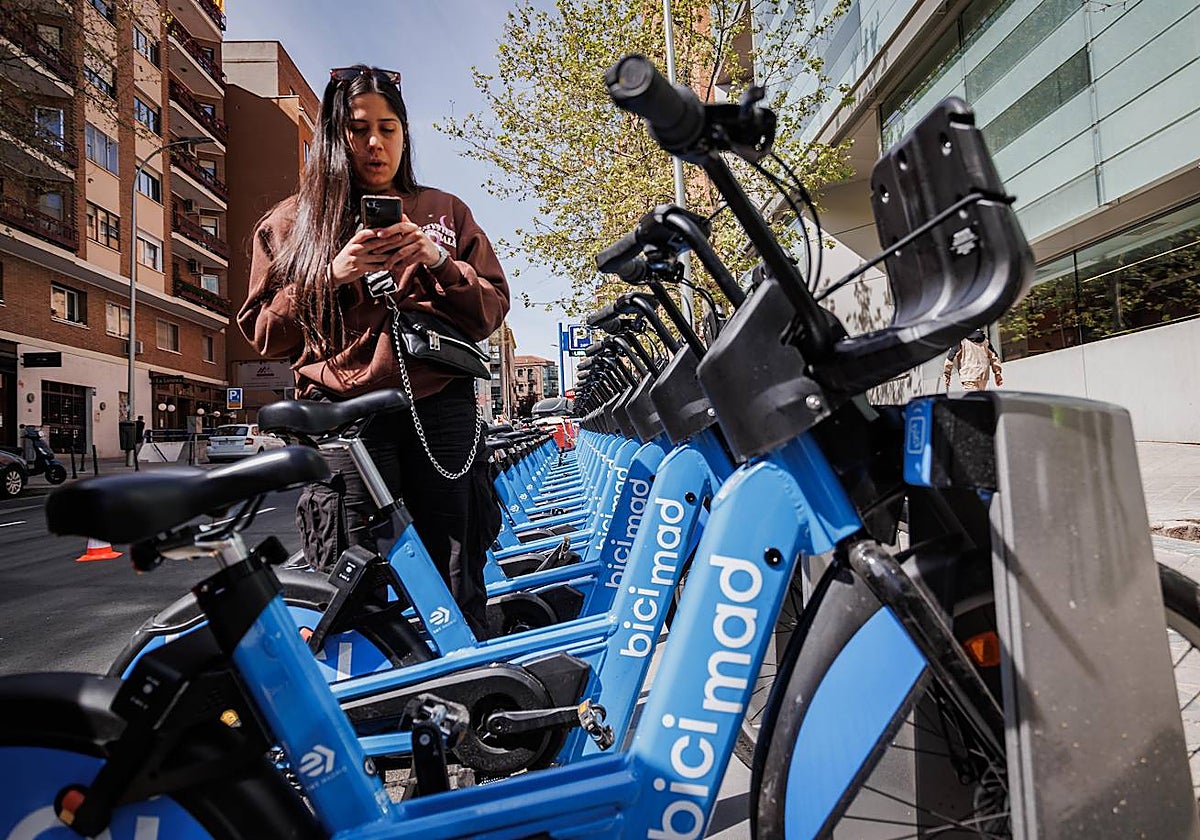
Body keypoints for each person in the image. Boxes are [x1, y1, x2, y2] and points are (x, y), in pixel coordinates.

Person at [238, 64, 509, 637]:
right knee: (353, 574)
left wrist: (437, 262)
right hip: (346, 418)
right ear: (334, 138)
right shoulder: (292, 224)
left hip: (440, 406)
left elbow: (491, 310)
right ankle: (367, 707)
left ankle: (472, 692)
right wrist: (331, 275)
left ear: (405, 134)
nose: (375, 143)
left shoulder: (443, 210)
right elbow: (262, 331)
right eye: (358, 130)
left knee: (457, 570)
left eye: (388, 128)